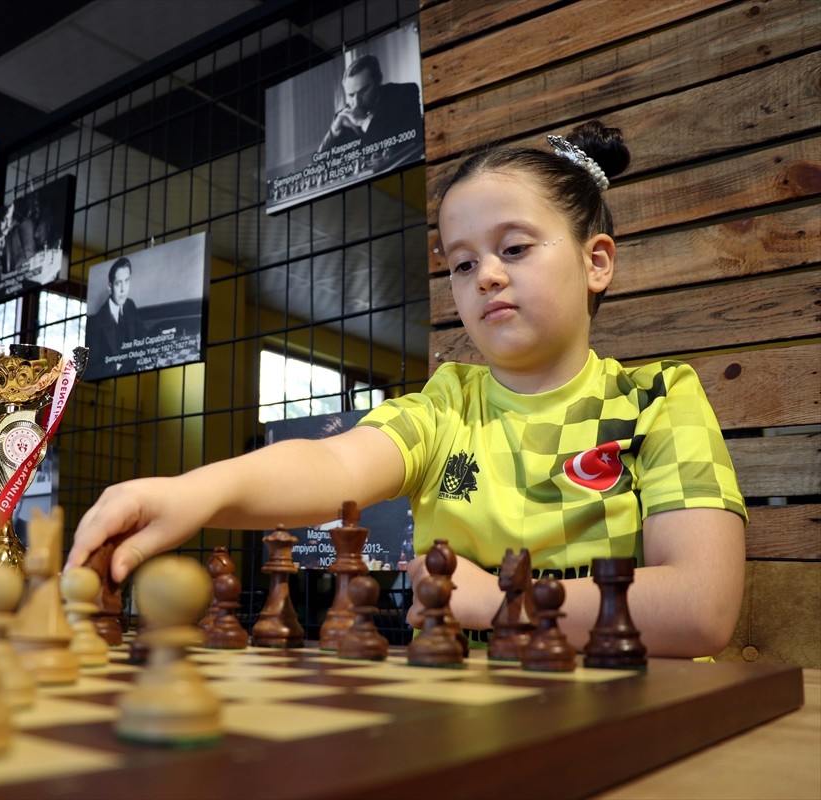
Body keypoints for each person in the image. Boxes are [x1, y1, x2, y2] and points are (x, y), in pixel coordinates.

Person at [67, 120, 747, 659]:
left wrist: (499, 603)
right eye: (462, 263)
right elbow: (333, 465)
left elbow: (702, 609)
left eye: (514, 248)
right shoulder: (446, 405)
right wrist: (195, 492)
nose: (485, 276)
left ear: (596, 261)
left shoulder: (659, 400)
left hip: (630, 716)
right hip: (459, 717)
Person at [316, 54, 422, 155]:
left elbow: (409, 140)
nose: (356, 101)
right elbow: (320, 162)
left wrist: (362, 122)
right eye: (351, 95)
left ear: (378, 80)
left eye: (363, 91)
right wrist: (334, 131)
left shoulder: (405, 94)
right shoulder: (342, 117)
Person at [85, 257, 149, 373]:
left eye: (126, 281)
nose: (123, 289)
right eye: (118, 283)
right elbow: (91, 368)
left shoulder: (130, 305)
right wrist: (116, 367)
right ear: (110, 287)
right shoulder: (96, 323)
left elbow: (143, 337)